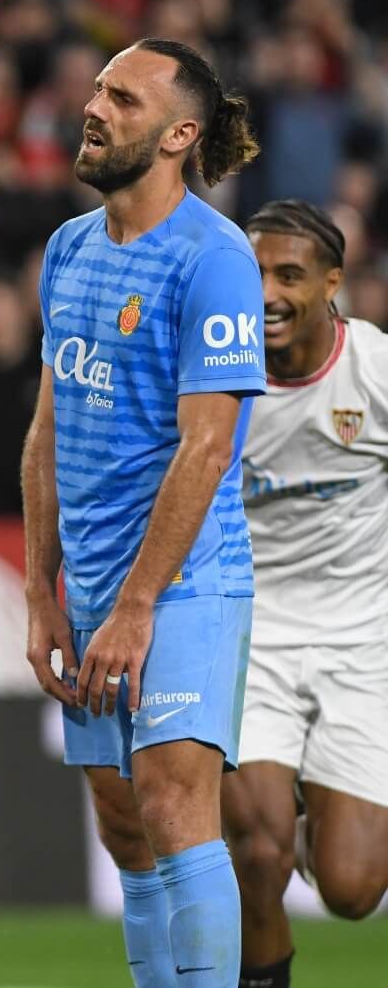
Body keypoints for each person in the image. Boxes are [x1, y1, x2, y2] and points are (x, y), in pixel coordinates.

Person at [20, 39, 264, 988]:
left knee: (170, 804)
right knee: (123, 824)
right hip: (89, 590)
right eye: (97, 89)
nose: (93, 107)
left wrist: (136, 606)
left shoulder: (216, 260)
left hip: (184, 585)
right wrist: (41, 593)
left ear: (179, 135)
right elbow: (47, 435)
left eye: (122, 98)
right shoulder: (68, 249)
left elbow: (206, 449)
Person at [223, 199, 388, 988]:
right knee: (259, 856)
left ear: (331, 283)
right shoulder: (215, 380)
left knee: (353, 891)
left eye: (288, 275)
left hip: (363, 645)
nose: (266, 294)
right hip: (251, 641)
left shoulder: (376, 372)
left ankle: (311, 816)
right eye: (252, 274)